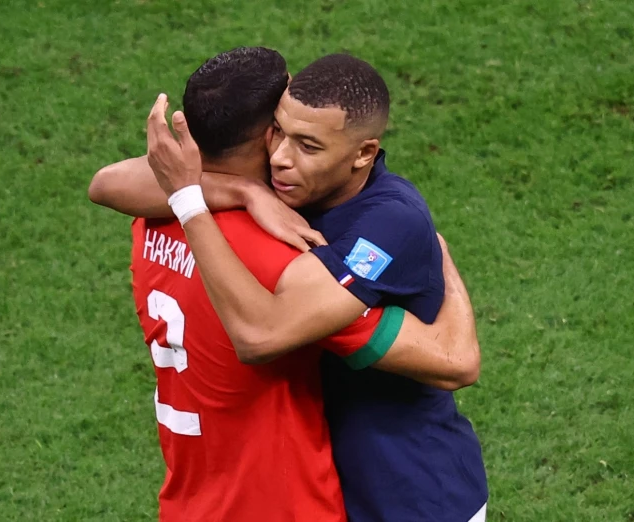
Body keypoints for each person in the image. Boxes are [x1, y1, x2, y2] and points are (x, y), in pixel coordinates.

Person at [94, 47, 480, 522]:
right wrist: (239, 190)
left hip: (410, 496)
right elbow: (108, 184)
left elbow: (455, 364)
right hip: (316, 490)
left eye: (308, 145)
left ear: (363, 153)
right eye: (279, 133)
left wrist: (199, 196)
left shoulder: (385, 224)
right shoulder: (280, 226)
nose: (281, 159)